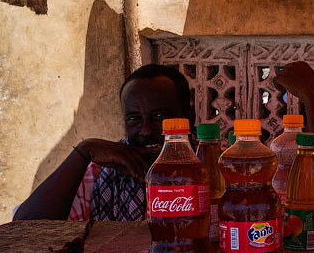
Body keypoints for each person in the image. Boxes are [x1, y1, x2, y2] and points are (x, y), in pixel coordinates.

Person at [13, 64, 193, 221]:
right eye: (133, 119)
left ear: (189, 118)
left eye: (159, 116)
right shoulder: (103, 172)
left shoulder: (213, 168)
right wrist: (84, 151)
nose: (145, 130)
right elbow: (24, 232)